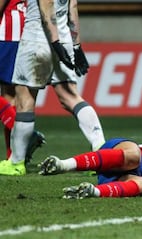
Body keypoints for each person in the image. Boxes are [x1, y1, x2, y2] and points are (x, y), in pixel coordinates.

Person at [0, 0, 105, 176]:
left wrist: (54, 42)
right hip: (64, 38)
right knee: (71, 97)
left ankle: (16, 163)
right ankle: (101, 154)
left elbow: (46, 3)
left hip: (38, 38)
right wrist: (76, 45)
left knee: (25, 100)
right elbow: (72, 7)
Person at [0, 0, 45, 163]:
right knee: (10, 96)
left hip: (7, 32)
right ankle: (13, 155)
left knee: (11, 96)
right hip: (24, 31)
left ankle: (26, 136)